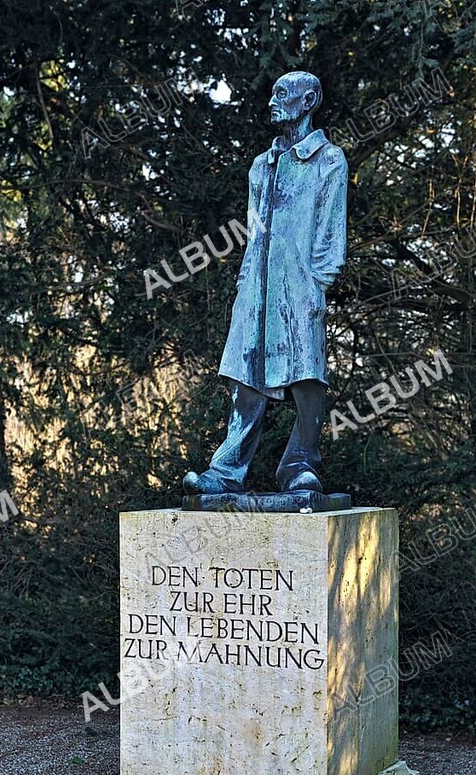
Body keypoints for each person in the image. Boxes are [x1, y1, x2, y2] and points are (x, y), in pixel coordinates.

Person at [184, 70, 348, 495]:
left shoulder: (328, 160)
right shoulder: (262, 165)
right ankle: (227, 470)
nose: (272, 101)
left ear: (308, 100)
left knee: (306, 375)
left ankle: (300, 465)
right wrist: (245, 282)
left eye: (282, 94)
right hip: (256, 283)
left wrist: (319, 280)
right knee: (244, 373)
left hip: (300, 283)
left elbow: (332, 229)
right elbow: (254, 231)